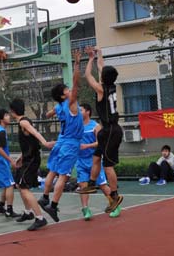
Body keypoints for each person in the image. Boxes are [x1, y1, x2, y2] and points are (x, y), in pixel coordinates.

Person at [75, 46, 123, 216]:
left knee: (108, 166)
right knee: (96, 158)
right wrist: (98, 54)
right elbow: (102, 66)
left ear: (103, 78)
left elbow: (88, 76)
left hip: (111, 130)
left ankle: (115, 195)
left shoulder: (101, 89)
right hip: (107, 130)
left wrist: (90, 59)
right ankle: (91, 184)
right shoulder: (111, 85)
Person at [39, 50, 85, 222]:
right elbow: (76, 82)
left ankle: (44, 197)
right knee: (63, 176)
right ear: (63, 95)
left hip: (61, 141)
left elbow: (48, 113)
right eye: (66, 89)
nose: (69, 89)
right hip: (70, 143)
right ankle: (53, 206)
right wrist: (77, 63)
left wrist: (51, 114)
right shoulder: (71, 103)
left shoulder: (59, 107)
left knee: (52, 170)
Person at [9, 98, 54, 231]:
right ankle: (28, 212)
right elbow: (30, 143)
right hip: (28, 158)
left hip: (32, 160)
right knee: (19, 184)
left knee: (24, 187)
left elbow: (35, 133)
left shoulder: (23, 122)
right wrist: (21, 157)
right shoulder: (23, 121)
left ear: (12, 111)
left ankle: (40, 218)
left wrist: (45, 143)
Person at [76, 104, 117, 219]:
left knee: (102, 185)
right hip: (80, 161)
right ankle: (85, 209)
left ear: (88, 112)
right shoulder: (76, 126)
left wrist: (87, 146)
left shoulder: (95, 126)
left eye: (81, 110)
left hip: (94, 161)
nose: (78, 112)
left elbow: (101, 142)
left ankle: (115, 205)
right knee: (83, 185)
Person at [0, 108, 20, 218]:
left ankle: (1, 206)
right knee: (10, 185)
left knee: (6, 185)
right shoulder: (1, 132)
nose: (9, 117)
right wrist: (11, 160)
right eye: (6, 115)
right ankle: (9, 210)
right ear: (1, 119)